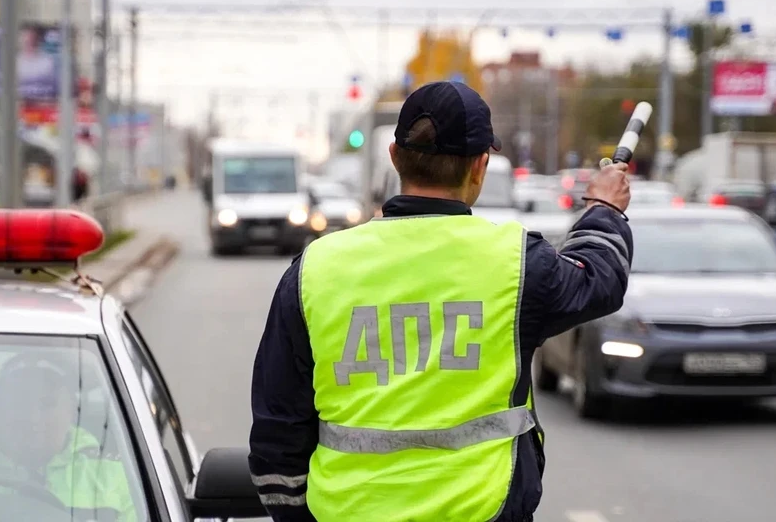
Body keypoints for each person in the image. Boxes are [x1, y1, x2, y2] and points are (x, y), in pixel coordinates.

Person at [249, 81, 633, 522]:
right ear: (480, 167)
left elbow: (277, 430)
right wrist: (605, 208)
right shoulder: (517, 264)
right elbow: (601, 280)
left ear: (394, 157)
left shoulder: (315, 268)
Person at [0, 356, 137, 520]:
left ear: (72, 411)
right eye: (19, 403)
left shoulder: (119, 480)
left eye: (47, 404)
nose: (33, 418)